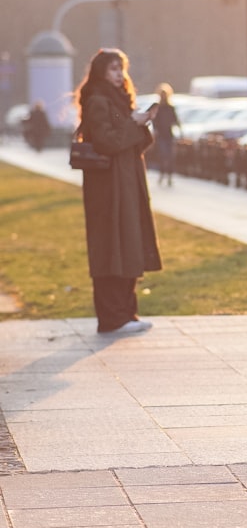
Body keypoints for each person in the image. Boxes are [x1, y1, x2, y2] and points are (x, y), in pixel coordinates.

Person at [74, 48, 162, 335]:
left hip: (126, 185)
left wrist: (141, 123)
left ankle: (126, 313)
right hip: (108, 189)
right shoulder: (97, 101)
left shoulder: (119, 100)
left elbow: (131, 143)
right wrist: (132, 124)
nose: (119, 75)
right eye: (113, 69)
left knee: (129, 245)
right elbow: (106, 142)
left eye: (121, 69)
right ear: (101, 72)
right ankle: (113, 318)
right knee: (111, 246)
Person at [152, 82, 181, 186]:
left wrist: (180, 130)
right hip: (161, 135)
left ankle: (169, 175)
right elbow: (154, 121)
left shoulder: (170, 108)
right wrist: (155, 131)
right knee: (163, 155)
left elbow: (175, 120)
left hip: (168, 135)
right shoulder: (158, 108)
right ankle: (162, 174)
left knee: (169, 156)